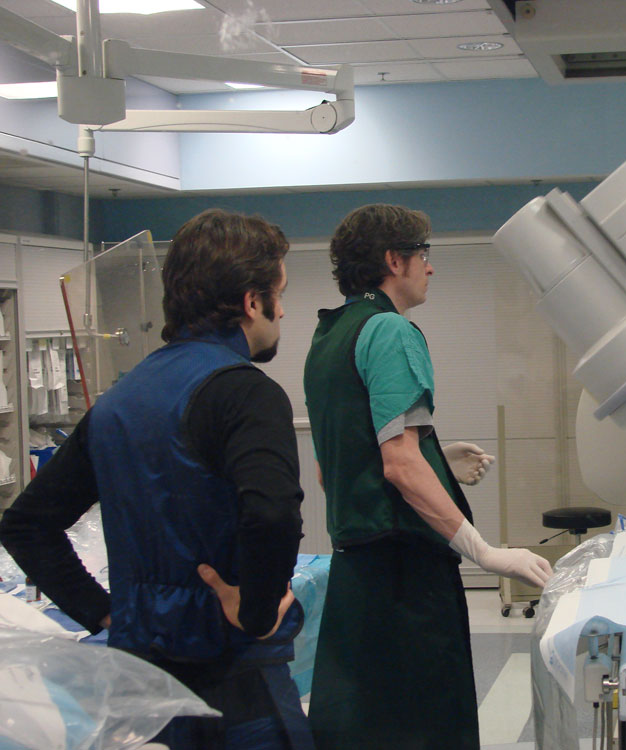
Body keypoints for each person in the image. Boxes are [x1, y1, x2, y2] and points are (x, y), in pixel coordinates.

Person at [0, 208, 313, 750]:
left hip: (140, 688)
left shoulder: (121, 399)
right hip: (233, 682)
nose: (282, 312)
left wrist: (105, 612)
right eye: (279, 295)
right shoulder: (245, 392)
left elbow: (27, 524)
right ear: (251, 301)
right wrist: (257, 612)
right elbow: (272, 512)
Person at [303, 203, 553, 749]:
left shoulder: (330, 336)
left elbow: (334, 467)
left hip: (357, 581)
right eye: (424, 256)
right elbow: (399, 463)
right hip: (405, 583)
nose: (430, 268)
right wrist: (483, 552)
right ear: (395, 260)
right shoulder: (390, 330)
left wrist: (438, 455)